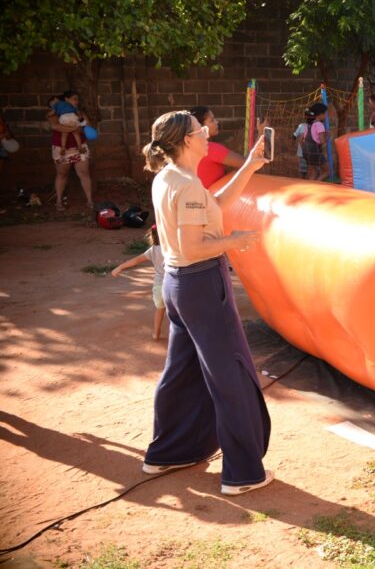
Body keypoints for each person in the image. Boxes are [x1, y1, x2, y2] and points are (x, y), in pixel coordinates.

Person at [140, 110, 273, 496]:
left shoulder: (171, 178)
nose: (207, 135)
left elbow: (211, 205)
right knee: (230, 374)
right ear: (186, 141)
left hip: (178, 286)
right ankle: (243, 472)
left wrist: (249, 166)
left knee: (180, 371)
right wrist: (236, 241)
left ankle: (167, 451)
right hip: (201, 285)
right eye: (202, 131)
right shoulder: (187, 185)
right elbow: (194, 245)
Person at [111, 226, 167, 340]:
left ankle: (156, 334)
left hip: (159, 285)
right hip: (173, 284)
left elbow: (136, 260)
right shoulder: (172, 248)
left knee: (160, 309)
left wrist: (120, 267)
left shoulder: (153, 250)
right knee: (178, 312)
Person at [46, 90, 94, 212]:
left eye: (77, 99)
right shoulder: (55, 113)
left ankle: (89, 201)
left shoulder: (79, 113)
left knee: (84, 174)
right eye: (74, 99)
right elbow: (55, 126)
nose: (77, 102)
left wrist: (78, 127)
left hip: (80, 147)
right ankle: (59, 201)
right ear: (65, 100)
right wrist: (75, 128)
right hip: (62, 148)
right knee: (62, 174)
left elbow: (88, 128)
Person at [189, 106, 244, 189]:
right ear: (200, 127)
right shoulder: (210, 149)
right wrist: (261, 134)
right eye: (212, 120)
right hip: (210, 199)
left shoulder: (188, 148)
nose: (217, 122)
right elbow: (247, 164)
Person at [303, 102, 330, 181]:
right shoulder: (319, 125)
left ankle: (310, 189)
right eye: (325, 114)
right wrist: (328, 135)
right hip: (314, 150)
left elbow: (303, 138)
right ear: (320, 114)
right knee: (327, 171)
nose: (325, 116)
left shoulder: (308, 124)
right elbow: (322, 141)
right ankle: (317, 184)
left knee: (313, 172)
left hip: (306, 150)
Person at [293, 111, 313, 178]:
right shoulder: (301, 126)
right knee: (303, 167)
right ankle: (303, 179)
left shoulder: (314, 126)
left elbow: (294, 135)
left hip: (310, 150)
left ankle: (306, 179)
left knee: (308, 167)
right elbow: (295, 135)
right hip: (303, 151)